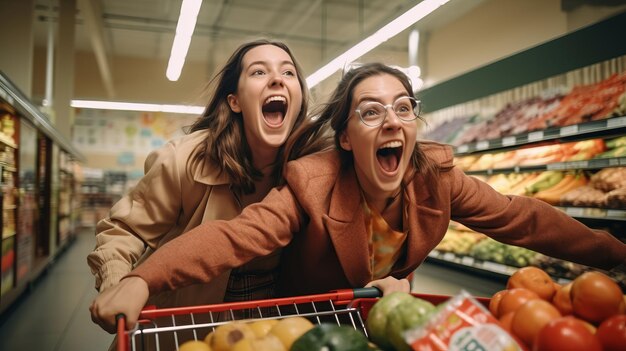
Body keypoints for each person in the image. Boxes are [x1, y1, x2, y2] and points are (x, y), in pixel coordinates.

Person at [90, 62, 626, 333]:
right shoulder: (312, 182)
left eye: (403, 108)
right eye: (370, 111)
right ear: (346, 137)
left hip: (379, 319)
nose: (391, 121)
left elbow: (524, 220)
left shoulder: (434, 177)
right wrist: (141, 279)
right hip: (310, 322)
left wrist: (615, 252)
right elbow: (232, 237)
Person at [87, 39, 315, 333]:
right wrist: (119, 287)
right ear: (234, 101)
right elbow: (124, 230)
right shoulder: (185, 160)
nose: (276, 80)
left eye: (288, 73)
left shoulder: (312, 168)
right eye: (259, 72)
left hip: (270, 324)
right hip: (185, 323)